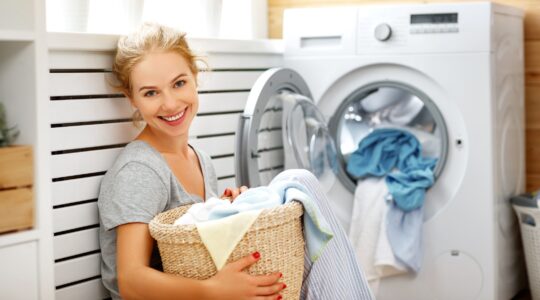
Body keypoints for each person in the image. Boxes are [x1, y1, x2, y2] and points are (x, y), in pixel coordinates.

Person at [98, 23, 374, 300]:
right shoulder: (140, 170)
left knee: (300, 189)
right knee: (300, 182)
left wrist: (230, 211)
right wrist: (212, 290)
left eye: (179, 83)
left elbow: (199, 249)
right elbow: (130, 282)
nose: (169, 104)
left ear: (195, 77)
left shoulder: (200, 160)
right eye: (150, 93)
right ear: (131, 98)